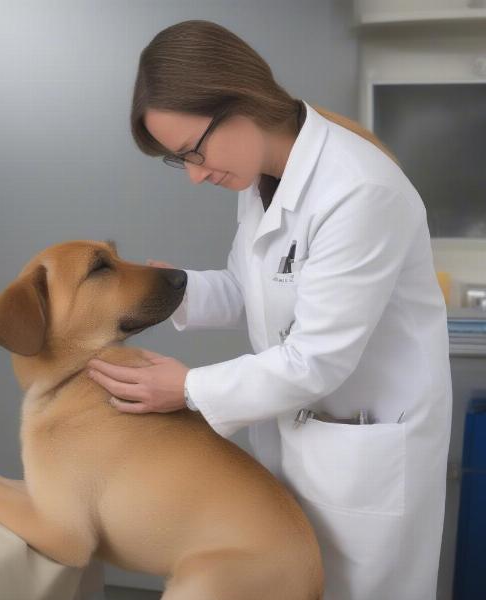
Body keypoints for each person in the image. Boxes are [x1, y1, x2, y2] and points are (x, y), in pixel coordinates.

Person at [86, 20, 452, 600]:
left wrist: (186, 389)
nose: (196, 175)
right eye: (178, 161)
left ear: (241, 103)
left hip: (363, 466)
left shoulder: (359, 190)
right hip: (297, 452)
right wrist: (174, 287)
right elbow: (255, 287)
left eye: (194, 152)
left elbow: (316, 360)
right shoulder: (265, 181)